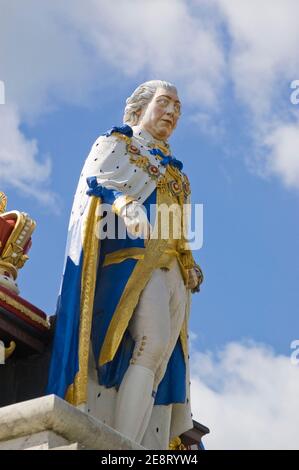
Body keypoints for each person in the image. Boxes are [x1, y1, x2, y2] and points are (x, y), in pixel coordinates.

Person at [47, 80, 203, 450]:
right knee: (150, 344)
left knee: (163, 361)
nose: (172, 112)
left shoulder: (177, 174)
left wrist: (190, 261)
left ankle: (136, 442)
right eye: (165, 103)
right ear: (140, 107)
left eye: (177, 108)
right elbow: (96, 183)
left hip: (172, 273)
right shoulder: (117, 144)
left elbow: (179, 227)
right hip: (132, 265)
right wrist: (124, 204)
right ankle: (121, 445)